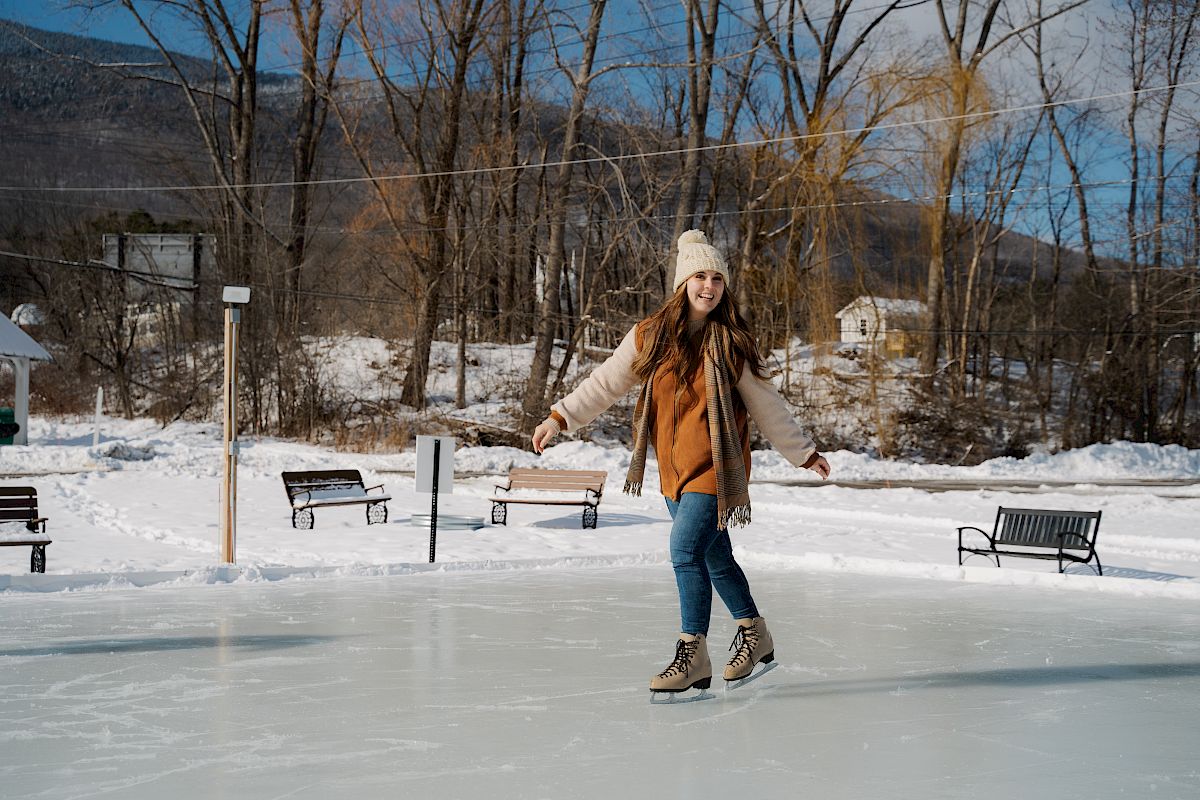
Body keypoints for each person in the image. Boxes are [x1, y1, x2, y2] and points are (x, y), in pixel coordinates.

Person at [531, 230, 832, 697]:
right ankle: (755, 633)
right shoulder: (649, 337)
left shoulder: (732, 343)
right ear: (682, 282)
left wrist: (803, 452)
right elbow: (605, 383)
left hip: (717, 468)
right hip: (673, 471)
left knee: (685, 551)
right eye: (699, 277)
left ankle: (692, 653)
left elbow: (766, 403)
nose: (708, 287)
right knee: (714, 557)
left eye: (716, 278)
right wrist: (560, 417)